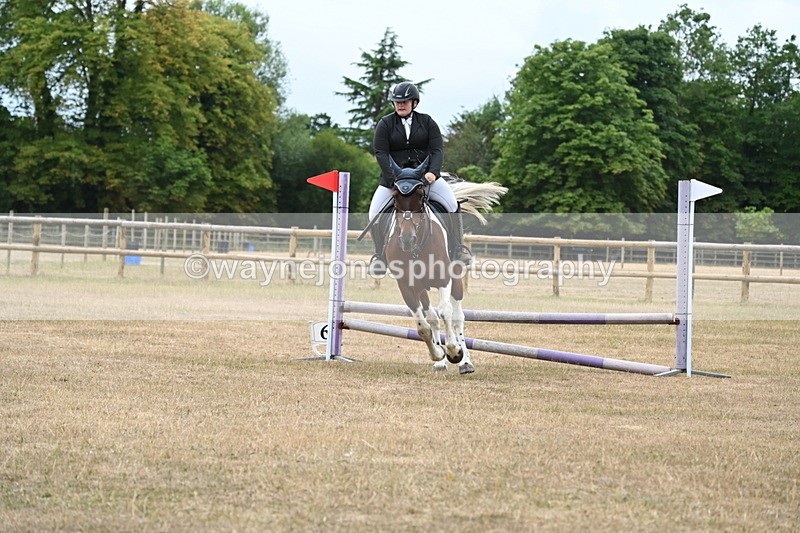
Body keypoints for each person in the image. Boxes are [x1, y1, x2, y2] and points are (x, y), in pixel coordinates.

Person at [367, 81, 472, 276]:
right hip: (394, 179)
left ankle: (458, 249)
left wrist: (433, 172)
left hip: (425, 178)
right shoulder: (385, 124)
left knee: (451, 204)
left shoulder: (427, 122)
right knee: (374, 214)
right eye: (397, 102)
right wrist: (391, 179)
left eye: (405, 101)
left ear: (414, 103)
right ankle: (380, 256)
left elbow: (437, 149)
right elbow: (381, 153)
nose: (400, 105)